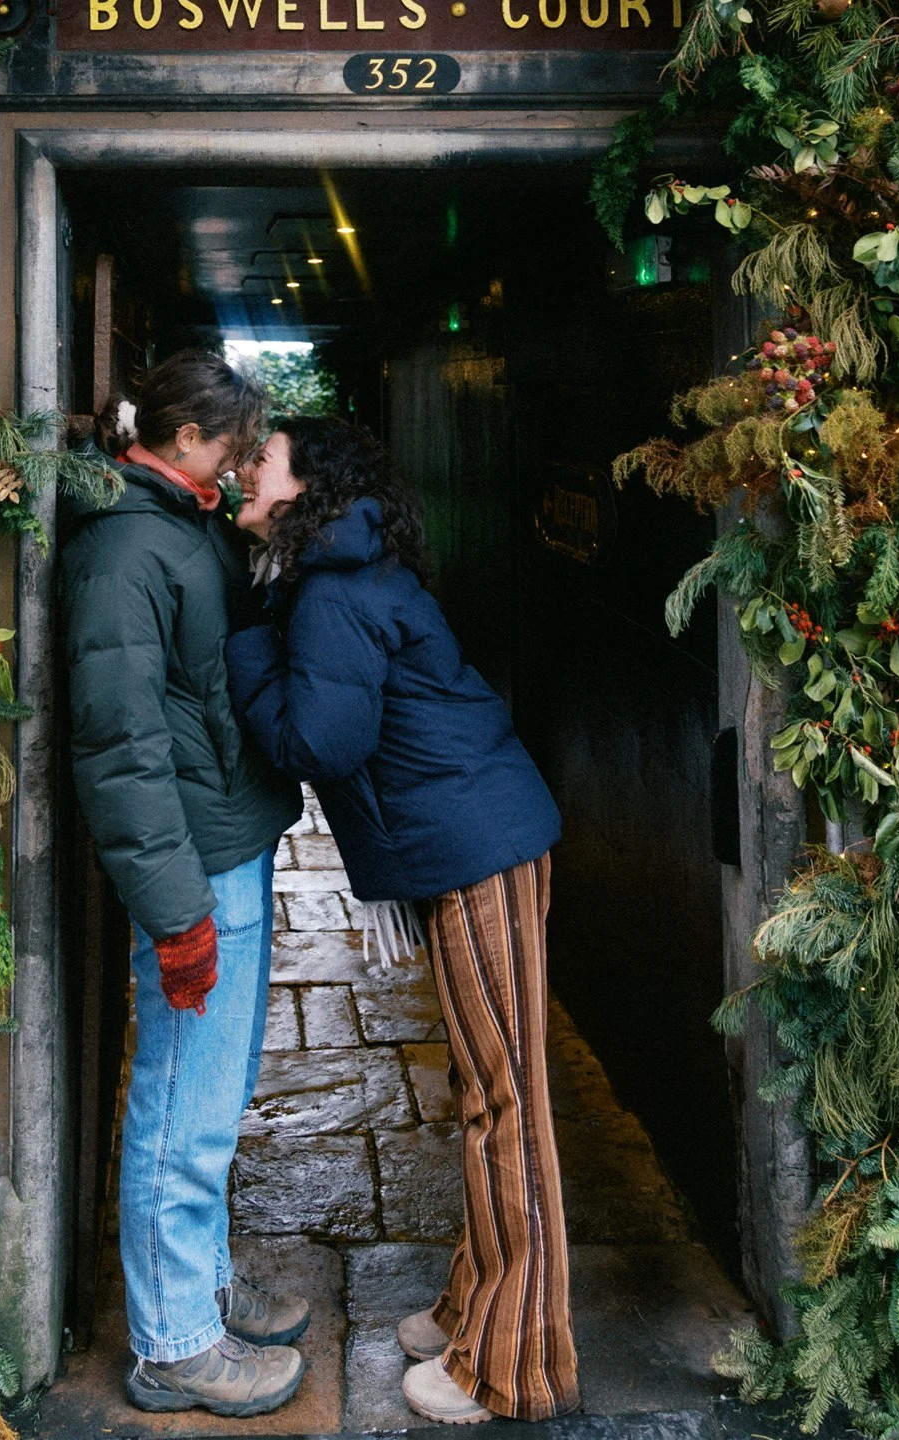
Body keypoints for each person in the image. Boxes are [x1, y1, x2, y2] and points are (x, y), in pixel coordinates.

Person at [226, 417, 579, 1428]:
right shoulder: (337, 572)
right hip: (466, 842)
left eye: (264, 457)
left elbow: (320, 742)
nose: (245, 468)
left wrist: (244, 646)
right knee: (484, 1088)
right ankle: (474, 1303)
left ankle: (514, 1364)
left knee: (506, 1100)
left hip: (477, 846)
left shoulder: (330, 593)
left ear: (307, 486)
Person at [61, 351, 308, 1416]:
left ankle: (199, 1287)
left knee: (214, 1092)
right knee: (180, 1101)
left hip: (226, 838)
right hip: (194, 862)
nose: (246, 463)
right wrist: (173, 913)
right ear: (189, 437)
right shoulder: (124, 549)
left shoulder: (183, 522)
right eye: (237, 445)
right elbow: (119, 748)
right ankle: (172, 1343)